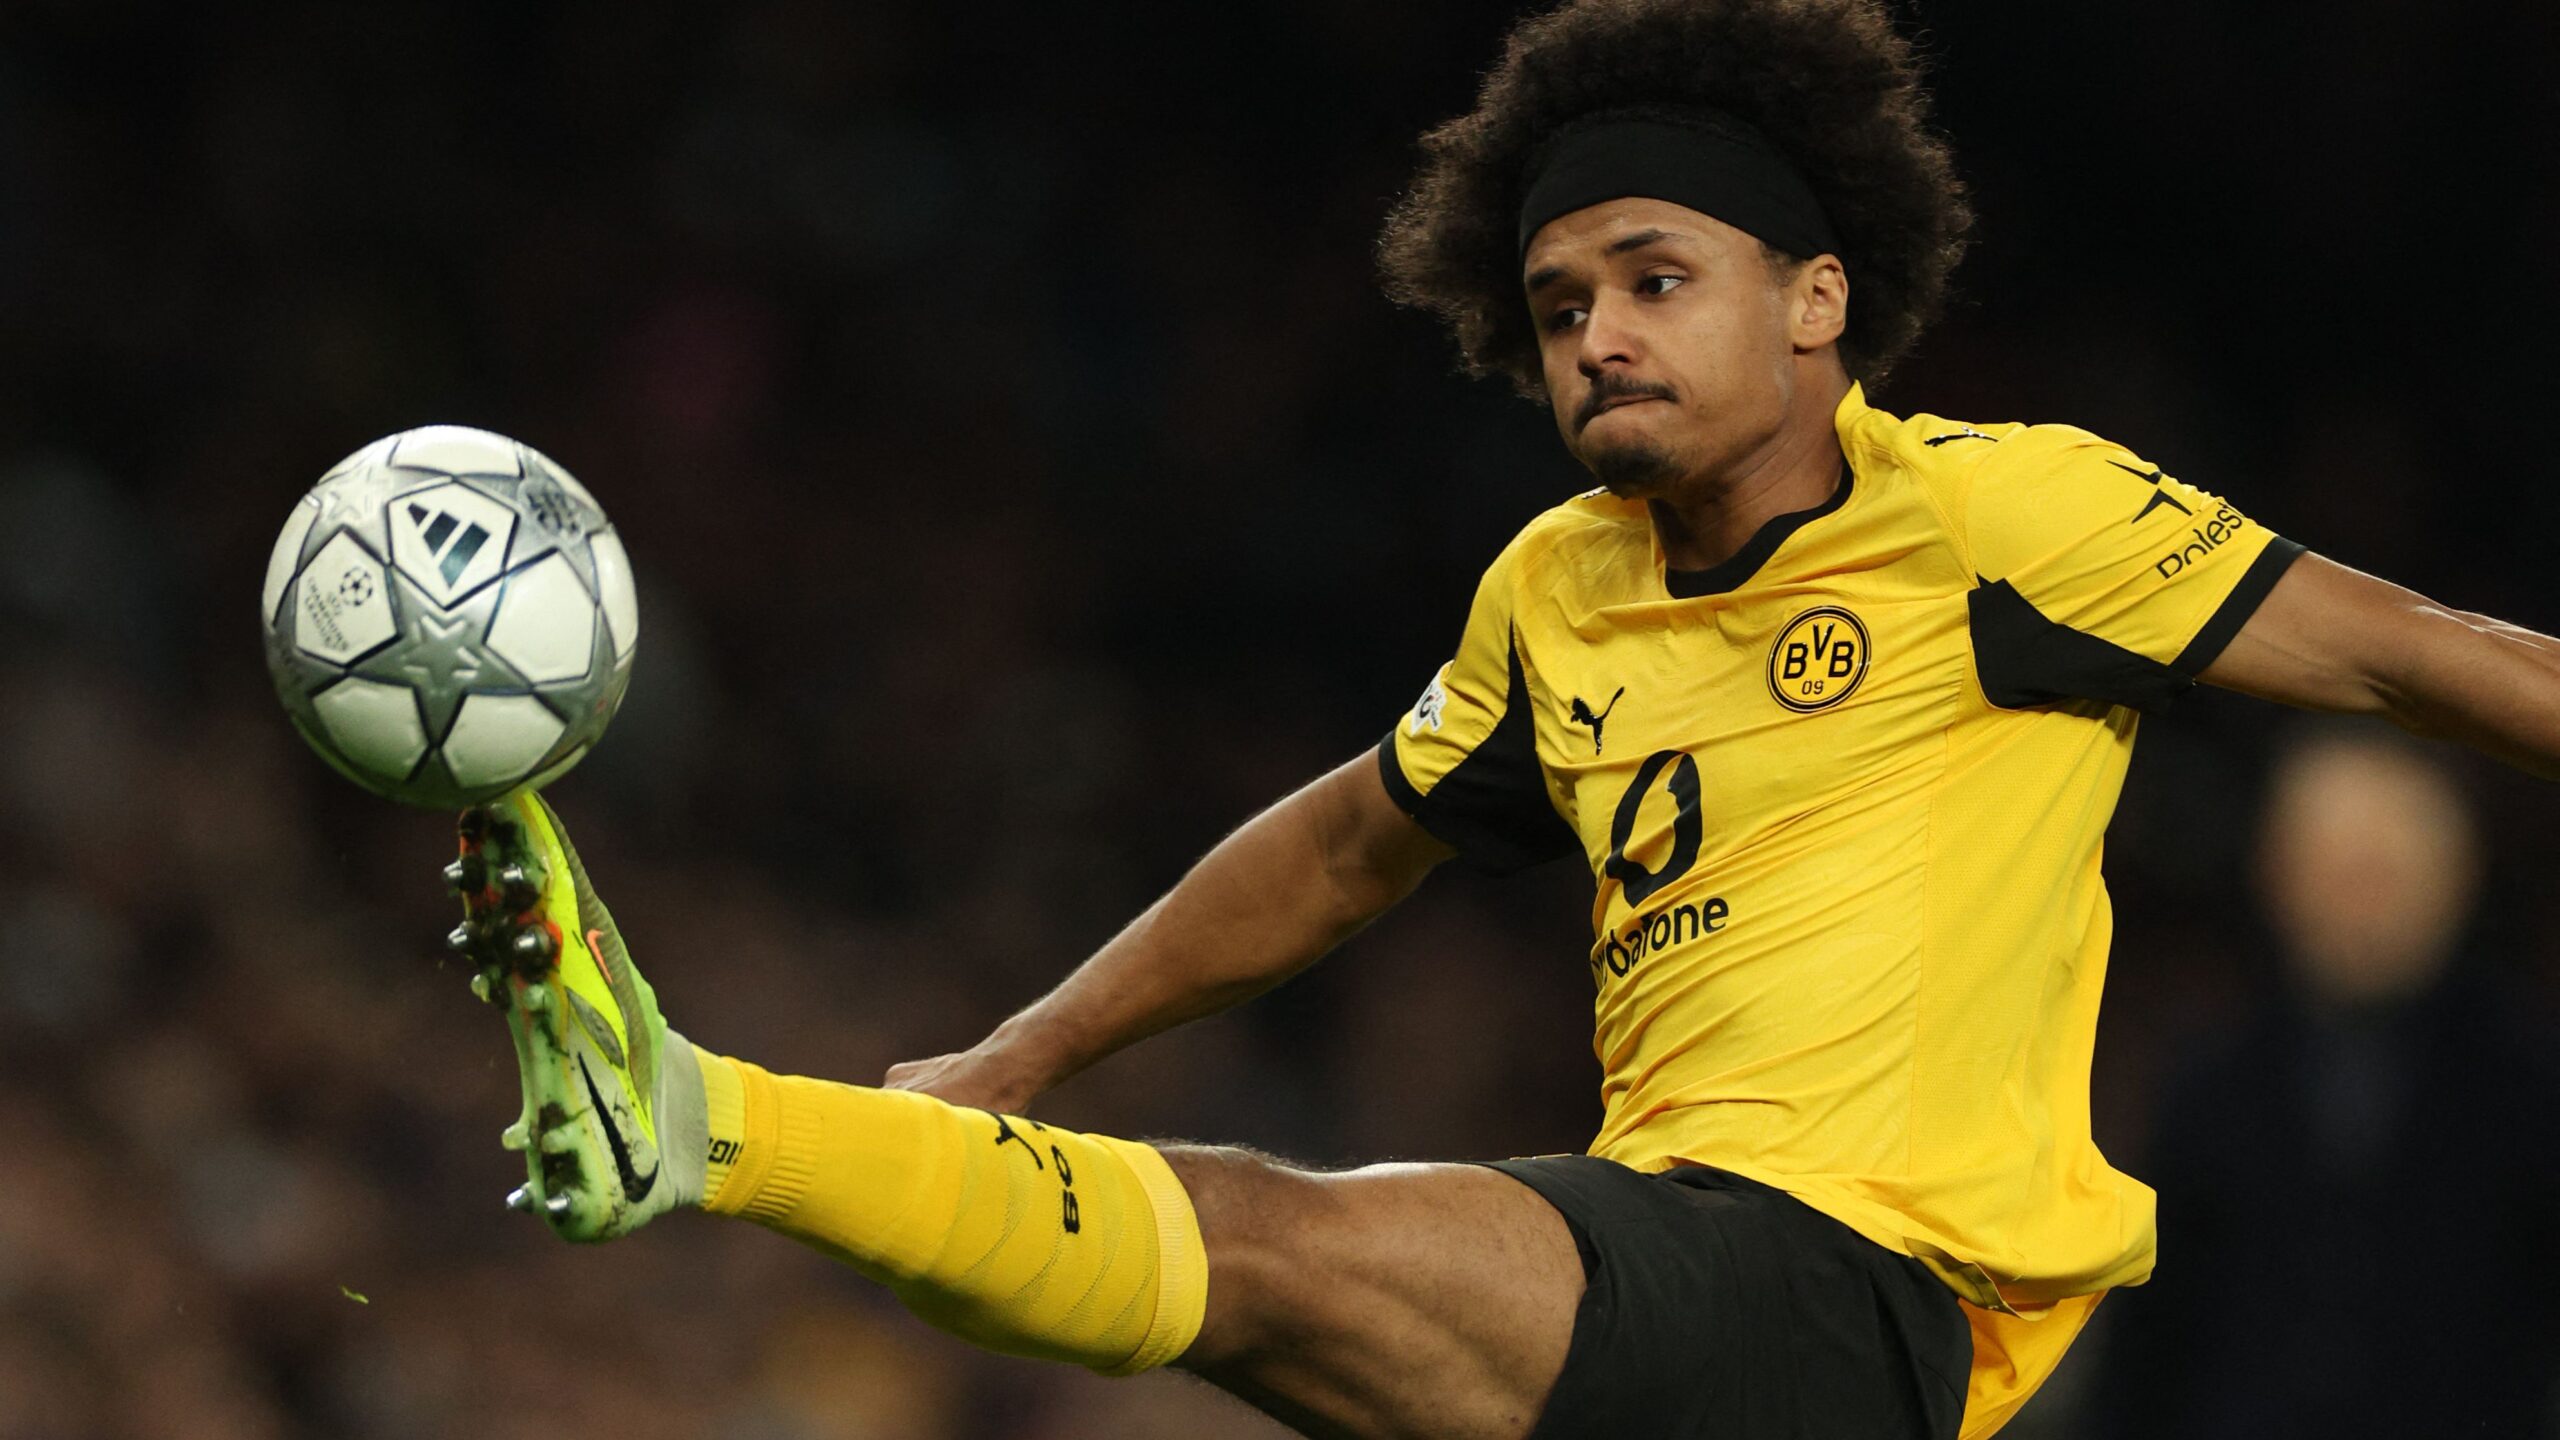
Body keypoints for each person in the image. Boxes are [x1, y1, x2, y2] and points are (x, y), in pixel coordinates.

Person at [438, 2, 2560, 1436]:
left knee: (1272, 1243)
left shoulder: (2000, 521)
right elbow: (1346, 844)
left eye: (1652, 278)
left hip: (1873, 1290)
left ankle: (706, 1121)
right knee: (1249, 1271)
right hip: (1688, 1270)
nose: (1596, 337)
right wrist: (1022, 1054)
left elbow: (2421, 656)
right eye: (1558, 307)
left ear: (1815, 300)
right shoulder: (1557, 591)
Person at [2096, 736, 2560, 1436]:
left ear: (2462, 873)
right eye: (2337, 870)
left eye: (2385, 873)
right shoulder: (2207, 1088)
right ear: (2273, 873)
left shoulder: (2531, 1086)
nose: (2362, 905)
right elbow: (2143, 1359)